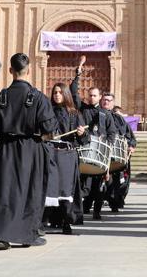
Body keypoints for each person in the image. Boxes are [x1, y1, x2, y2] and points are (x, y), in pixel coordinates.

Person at [0, 53, 55, 250]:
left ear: (10, 71)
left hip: (6, 148)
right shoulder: (38, 97)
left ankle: (0, 235)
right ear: (30, 70)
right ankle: (27, 235)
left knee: (3, 189)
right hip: (32, 148)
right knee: (31, 189)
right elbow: (49, 125)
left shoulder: (2, 97)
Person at [69, 59, 115, 222]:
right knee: (85, 186)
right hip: (86, 151)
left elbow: (112, 134)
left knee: (100, 186)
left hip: (100, 154)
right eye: (90, 95)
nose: (91, 97)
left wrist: (107, 144)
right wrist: (78, 73)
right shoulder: (83, 109)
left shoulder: (106, 114)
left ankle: (96, 211)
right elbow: (73, 92)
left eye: (94, 95)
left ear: (100, 97)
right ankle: (81, 210)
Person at [44, 80, 85, 234]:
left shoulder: (74, 113)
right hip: (50, 154)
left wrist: (82, 133)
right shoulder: (47, 111)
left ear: (66, 94)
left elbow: (83, 139)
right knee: (50, 187)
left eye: (60, 92)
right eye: (55, 92)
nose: (57, 95)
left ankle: (67, 221)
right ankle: (47, 220)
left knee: (66, 189)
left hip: (67, 155)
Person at [102, 96, 136, 212]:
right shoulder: (96, 115)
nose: (106, 102)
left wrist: (131, 145)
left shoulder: (120, 119)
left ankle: (116, 201)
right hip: (101, 154)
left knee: (119, 180)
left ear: (113, 103)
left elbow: (129, 135)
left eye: (109, 100)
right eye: (104, 100)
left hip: (117, 154)